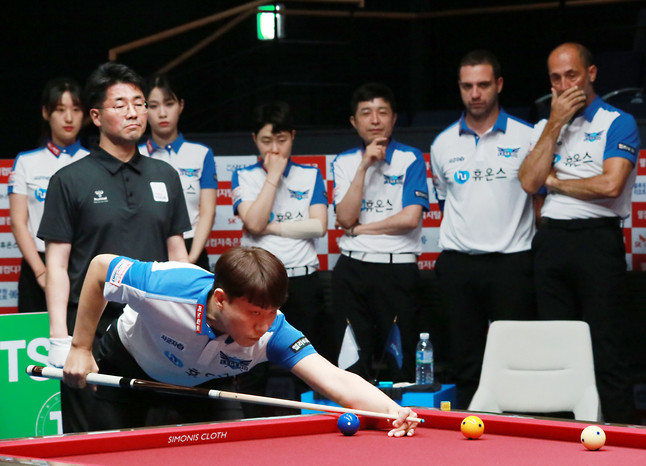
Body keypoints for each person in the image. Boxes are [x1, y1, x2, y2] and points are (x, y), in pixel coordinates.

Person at [62, 246, 418, 437]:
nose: (263, 325)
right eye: (254, 313)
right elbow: (100, 268)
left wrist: (392, 411)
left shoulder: (274, 331)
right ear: (220, 300)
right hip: (128, 367)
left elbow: (336, 379)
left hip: (206, 387)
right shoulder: (166, 287)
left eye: (272, 312)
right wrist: (80, 347)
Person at [38, 62, 191, 433]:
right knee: (89, 442)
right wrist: (60, 338)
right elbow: (56, 265)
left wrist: (188, 323)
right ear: (96, 116)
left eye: (139, 104)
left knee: (153, 441)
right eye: (120, 104)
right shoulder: (68, 180)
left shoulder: (166, 175)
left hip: (153, 331)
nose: (133, 112)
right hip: (91, 330)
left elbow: (178, 257)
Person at [518, 43, 640, 423]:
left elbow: (610, 185)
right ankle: (561, 438)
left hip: (597, 240)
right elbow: (529, 181)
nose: (564, 85)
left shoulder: (617, 121)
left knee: (607, 349)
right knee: (557, 352)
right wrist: (555, 123)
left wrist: (555, 182)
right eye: (555, 78)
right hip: (551, 241)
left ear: (591, 74)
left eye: (571, 75)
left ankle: (623, 437)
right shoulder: (544, 127)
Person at [430, 50, 537, 409]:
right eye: (467, 86)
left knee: (518, 360)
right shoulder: (442, 143)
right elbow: (446, 201)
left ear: (499, 85)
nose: (475, 94)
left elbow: (539, 201)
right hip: (459, 264)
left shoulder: (527, 136)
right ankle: (468, 429)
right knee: (465, 361)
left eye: (483, 85)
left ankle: (519, 429)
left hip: (513, 262)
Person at [332, 83, 430, 382]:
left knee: (401, 363)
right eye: (366, 113)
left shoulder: (411, 158)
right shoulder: (344, 161)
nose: (374, 120)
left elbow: (410, 218)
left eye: (382, 112)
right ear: (354, 121)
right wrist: (363, 167)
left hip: (397, 269)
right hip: (352, 269)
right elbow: (345, 217)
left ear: (394, 118)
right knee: (352, 363)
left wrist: (362, 229)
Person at [232, 102, 331, 361]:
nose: (274, 149)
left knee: (307, 361)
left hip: (303, 279)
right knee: (253, 363)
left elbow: (318, 226)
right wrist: (273, 176)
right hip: (259, 282)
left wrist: (271, 228)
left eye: (282, 140)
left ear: (293, 136)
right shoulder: (243, 176)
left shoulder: (310, 174)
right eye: (266, 141)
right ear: (254, 139)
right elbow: (255, 223)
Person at [9, 78, 89, 313]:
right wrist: (40, 272)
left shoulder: (94, 162)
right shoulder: (26, 162)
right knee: (34, 333)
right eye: (60, 110)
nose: (69, 118)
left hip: (82, 266)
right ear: (46, 112)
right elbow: (18, 222)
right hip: (37, 268)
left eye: (76, 110)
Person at [139, 74, 218, 270]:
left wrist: (190, 258)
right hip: (146, 250)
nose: (162, 113)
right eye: (153, 106)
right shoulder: (134, 155)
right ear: (144, 109)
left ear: (180, 105)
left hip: (192, 249)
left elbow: (207, 212)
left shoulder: (201, 154)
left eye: (169, 104)